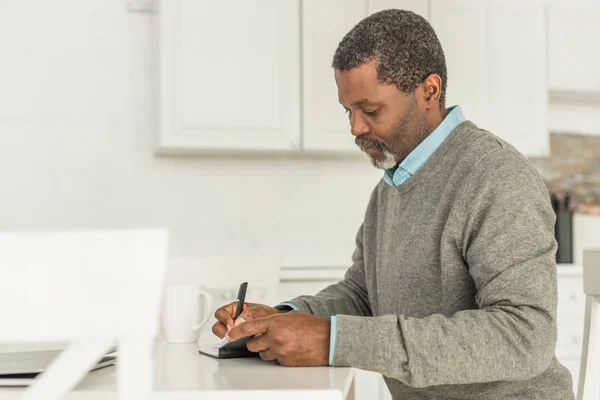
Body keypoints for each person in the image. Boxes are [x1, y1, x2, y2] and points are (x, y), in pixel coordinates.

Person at [212, 9, 575, 400]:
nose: (355, 128)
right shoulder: (390, 190)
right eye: (348, 111)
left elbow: (525, 336)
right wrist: (283, 318)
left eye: (370, 110)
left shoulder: (496, 176)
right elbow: (363, 296)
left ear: (429, 91)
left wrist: (335, 341)